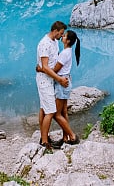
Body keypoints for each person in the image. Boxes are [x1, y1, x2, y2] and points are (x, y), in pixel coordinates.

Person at [36, 21, 69, 151]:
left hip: (51, 79)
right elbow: (45, 66)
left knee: (44, 109)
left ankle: (44, 136)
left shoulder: (54, 42)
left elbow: (51, 64)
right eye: (60, 34)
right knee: (50, 111)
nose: (61, 37)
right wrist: (60, 79)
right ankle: (44, 142)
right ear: (55, 31)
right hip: (45, 81)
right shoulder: (44, 44)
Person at [53, 29, 81, 144]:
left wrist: (42, 69)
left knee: (56, 114)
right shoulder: (68, 51)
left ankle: (72, 136)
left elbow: (55, 69)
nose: (62, 37)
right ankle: (65, 138)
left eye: (64, 36)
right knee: (64, 111)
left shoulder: (64, 53)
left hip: (62, 83)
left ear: (68, 40)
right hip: (67, 80)